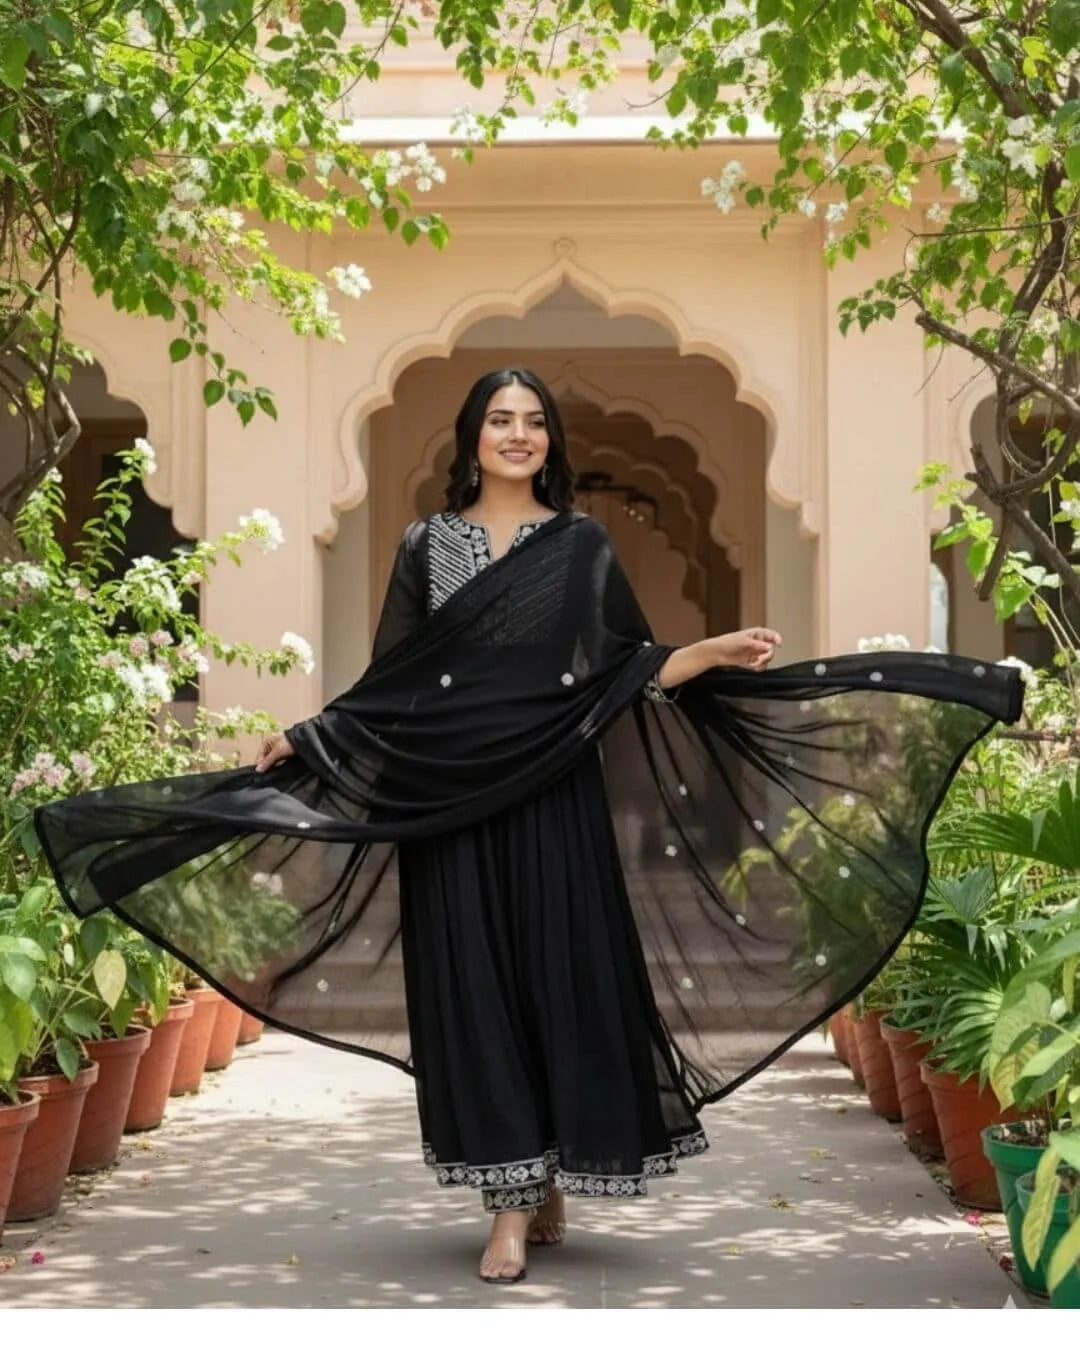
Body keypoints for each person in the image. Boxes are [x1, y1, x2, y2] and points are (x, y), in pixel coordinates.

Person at [36, 368, 1024, 1287]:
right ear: (472, 437)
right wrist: (308, 737)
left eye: (534, 422)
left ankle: (542, 1173)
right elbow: (394, 680)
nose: (519, 435)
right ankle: (508, 1202)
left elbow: (623, 667)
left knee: (555, 981)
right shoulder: (428, 545)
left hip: (553, 800)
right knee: (475, 992)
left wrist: (710, 652)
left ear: (551, 441)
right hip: (450, 807)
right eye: (501, 420)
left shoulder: (580, 546)